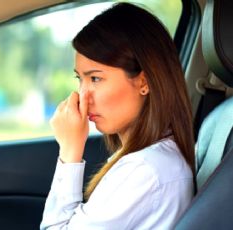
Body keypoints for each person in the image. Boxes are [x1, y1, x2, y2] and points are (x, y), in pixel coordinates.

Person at [40, 3, 195, 229]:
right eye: (80, 79)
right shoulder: (146, 159)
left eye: (95, 79)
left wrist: (69, 153)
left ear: (144, 82)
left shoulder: (145, 170)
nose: (83, 96)